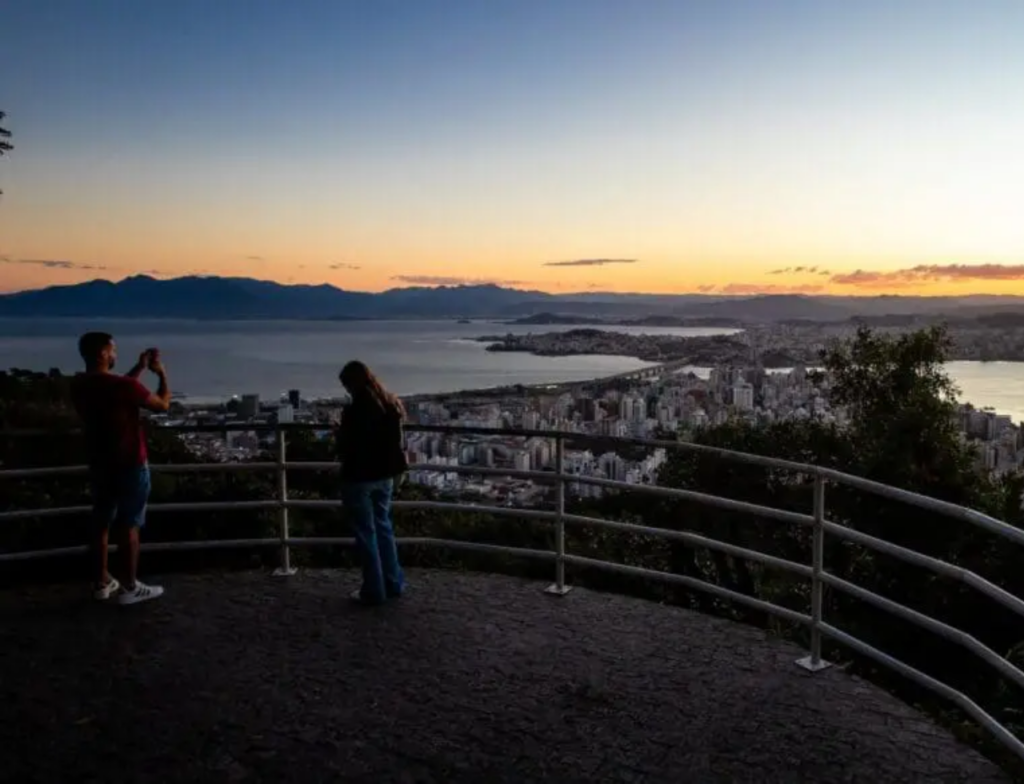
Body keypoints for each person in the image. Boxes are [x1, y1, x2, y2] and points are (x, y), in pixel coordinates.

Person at [70, 332, 171, 605]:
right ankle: (130, 587)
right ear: (103, 353)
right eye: (113, 350)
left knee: (101, 523)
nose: (115, 355)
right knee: (130, 525)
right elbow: (162, 405)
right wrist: (161, 374)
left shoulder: (80, 384)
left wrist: (138, 368)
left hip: (99, 463)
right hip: (129, 463)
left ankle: (101, 582)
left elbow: (118, 388)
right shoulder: (120, 387)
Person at [336, 360, 408, 605]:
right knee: (384, 529)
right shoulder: (390, 404)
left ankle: (373, 590)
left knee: (366, 535)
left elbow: (344, 448)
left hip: (359, 478)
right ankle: (393, 583)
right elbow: (397, 442)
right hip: (385, 476)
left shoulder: (354, 411)